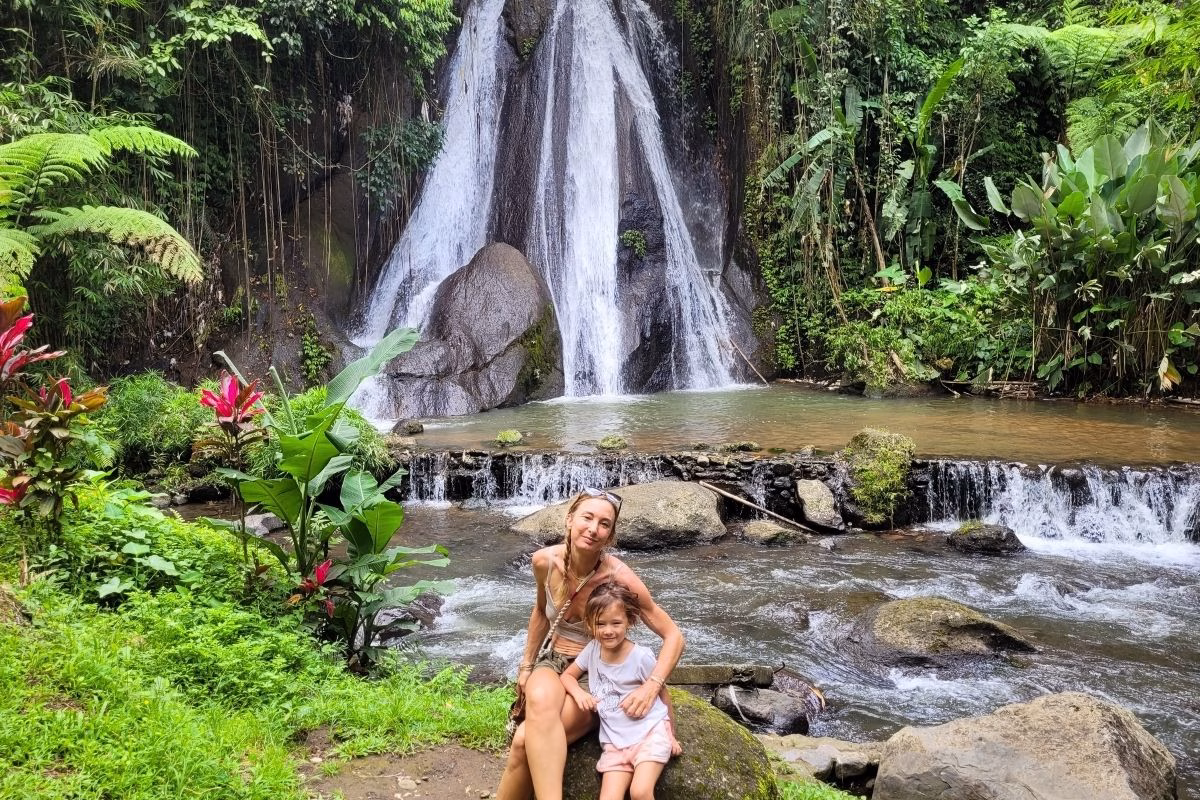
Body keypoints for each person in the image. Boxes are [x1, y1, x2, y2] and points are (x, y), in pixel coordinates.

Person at [496, 488, 685, 800]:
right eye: (587, 517)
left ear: (610, 536)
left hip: (596, 673)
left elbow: (674, 636)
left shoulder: (619, 577)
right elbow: (541, 613)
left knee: (522, 742)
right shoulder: (544, 562)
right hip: (553, 660)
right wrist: (527, 665)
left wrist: (651, 685)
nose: (593, 529)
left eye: (604, 524)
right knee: (540, 697)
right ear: (570, 520)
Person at [560, 581, 683, 800]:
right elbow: (567, 676)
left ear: (629, 621)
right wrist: (580, 693)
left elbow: (662, 692)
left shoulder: (640, 656)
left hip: (649, 735)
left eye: (616, 623)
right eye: (601, 624)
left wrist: (671, 735)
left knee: (640, 791)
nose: (608, 631)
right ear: (589, 623)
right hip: (615, 742)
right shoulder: (592, 650)